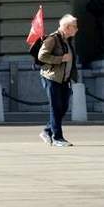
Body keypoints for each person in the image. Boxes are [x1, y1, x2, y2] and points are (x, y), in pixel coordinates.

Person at [38, 14, 79, 147]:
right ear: (67, 27)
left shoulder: (67, 40)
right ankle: (57, 138)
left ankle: (47, 131)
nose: (76, 29)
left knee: (63, 107)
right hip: (51, 77)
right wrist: (60, 58)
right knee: (56, 107)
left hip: (64, 80)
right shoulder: (53, 39)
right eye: (74, 27)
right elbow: (42, 56)